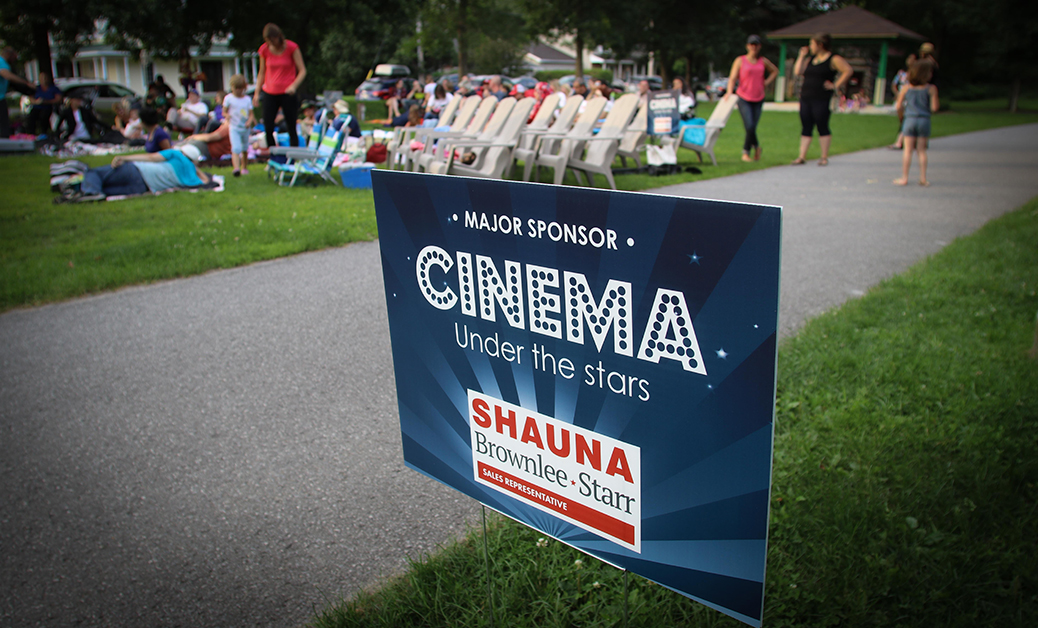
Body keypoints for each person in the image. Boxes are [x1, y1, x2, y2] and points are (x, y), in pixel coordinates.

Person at [791, 32, 853, 166]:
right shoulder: (810, 59)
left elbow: (848, 70)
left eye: (812, 44)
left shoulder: (833, 59)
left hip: (821, 97)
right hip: (806, 97)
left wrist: (835, 85)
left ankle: (824, 157)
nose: (810, 47)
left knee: (821, 124)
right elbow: (798, 71)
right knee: (806, 125)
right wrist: (801, 56)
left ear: (820, 45)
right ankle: (801, 156)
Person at [76, 147, 212, 201]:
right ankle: (91, 193)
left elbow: (151, 157)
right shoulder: (193, 177)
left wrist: (125, 158)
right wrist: (194, 168)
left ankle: (90, 191)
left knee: (93, 172)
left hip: (136, 171)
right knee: (105, 191)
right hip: (142, 187)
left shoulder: (176, 154)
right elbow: (206, 181)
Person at [253, 22, 307, 149]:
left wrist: (294, 86)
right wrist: (256, 93)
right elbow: (262, 72)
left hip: (287, 92)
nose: (271, 43)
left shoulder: (292, 48)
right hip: (270, 92)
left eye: (272, 40)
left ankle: (294, 154)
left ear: (278, 36)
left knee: (291, 125)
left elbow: (302, 70)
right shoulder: (264, 50)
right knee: (268, 126)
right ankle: (273, 154)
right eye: (268, 41)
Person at [727, 34, 778, 162]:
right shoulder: (740, 60)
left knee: (753, 127)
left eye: (756, 45)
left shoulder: (763, 61)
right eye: (751, 44)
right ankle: (746, 152)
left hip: (758, 97)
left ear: (759, 46)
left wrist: (766, 82)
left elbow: (775, 71)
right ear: (747, 46)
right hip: (743, 96)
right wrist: (729, 92)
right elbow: (732, 78)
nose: (753, 47)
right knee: (749, 125)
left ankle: (756, 148)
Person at [893, 60, 939, 187]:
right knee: (921, 150)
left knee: (907, 150)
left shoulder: (906, 88)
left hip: (910, 119)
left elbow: (898, 106)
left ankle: (904, 178)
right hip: (924, 119)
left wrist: (902, 116)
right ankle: (923, 178)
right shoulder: (931, 89)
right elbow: (934, 108)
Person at [223, 74, 255, 177]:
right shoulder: (228, 98)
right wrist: (227, 116)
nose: (238, 90)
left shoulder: (247, 99)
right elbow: (224, 112)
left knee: (245, 148)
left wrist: (249, 121)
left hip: (245, 127)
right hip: (234, 127)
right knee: (236, 148)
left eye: (240, 88)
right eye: (236, 88)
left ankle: (244, 167)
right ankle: (236, 168)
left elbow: (251, 114)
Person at [1, 46, 36, 138]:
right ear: (8, 54)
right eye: (14, 57)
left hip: (1, 96)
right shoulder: (2, 62)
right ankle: (4, 141)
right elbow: (7, 75)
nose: (14, 59)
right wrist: (26, 83)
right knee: (3, 123)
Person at [888, 54, 916, 149]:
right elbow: (894, 84)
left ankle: (900, 141)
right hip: (901, 97)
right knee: (902, 119)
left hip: (910, 98)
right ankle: (906, 138)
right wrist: (897, 94)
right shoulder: (901, 73)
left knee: (907, 119)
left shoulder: (916, 73)